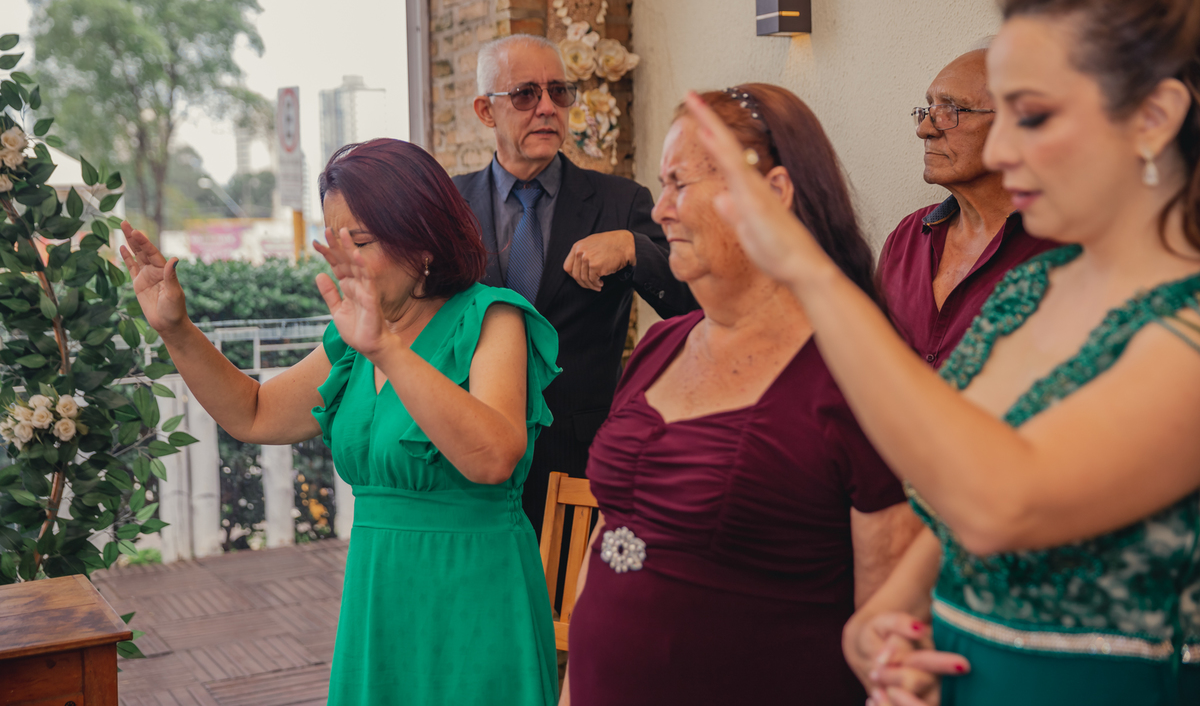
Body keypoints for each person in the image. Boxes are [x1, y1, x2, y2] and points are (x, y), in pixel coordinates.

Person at [688, 0, 1200, 706]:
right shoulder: (1037, 290)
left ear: (1154, 117)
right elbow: (941, 490)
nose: (1000, 153)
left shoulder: (1188, 325)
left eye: (1032, 116)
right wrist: (890, 618)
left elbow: (998, 501)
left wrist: (808, 272)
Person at [120, 139, 561, 705]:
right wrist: (176, 329)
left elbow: (496, 456)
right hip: (379, 594)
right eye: (338, 241)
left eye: (363, 240)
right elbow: (252, 413)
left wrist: (388, 351)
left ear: (422, 237)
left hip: (474, 592)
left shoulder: (492, 318)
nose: (345, 260)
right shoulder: (354, 342)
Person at [563, 85, 923, 705]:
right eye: (661, 185)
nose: (661, 210)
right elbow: (611, 536)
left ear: (773, 194)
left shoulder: (851, 372)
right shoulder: (660, 346)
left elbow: (890, 609)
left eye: (680, 184)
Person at [456, 34, 696, 534]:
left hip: (579, 469)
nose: (547, 108)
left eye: (559, 92)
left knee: (568, 614)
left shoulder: (621, 202)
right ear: (485, 110)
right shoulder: (448, 207)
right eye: (525, 94)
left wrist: (636, 248)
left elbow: (694, 302)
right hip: (468, 464)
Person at [880, 48, 1057, 366]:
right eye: (928, 110)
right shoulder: (907, 237)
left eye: (951, 111)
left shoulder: (1065, 250)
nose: (924, 129)